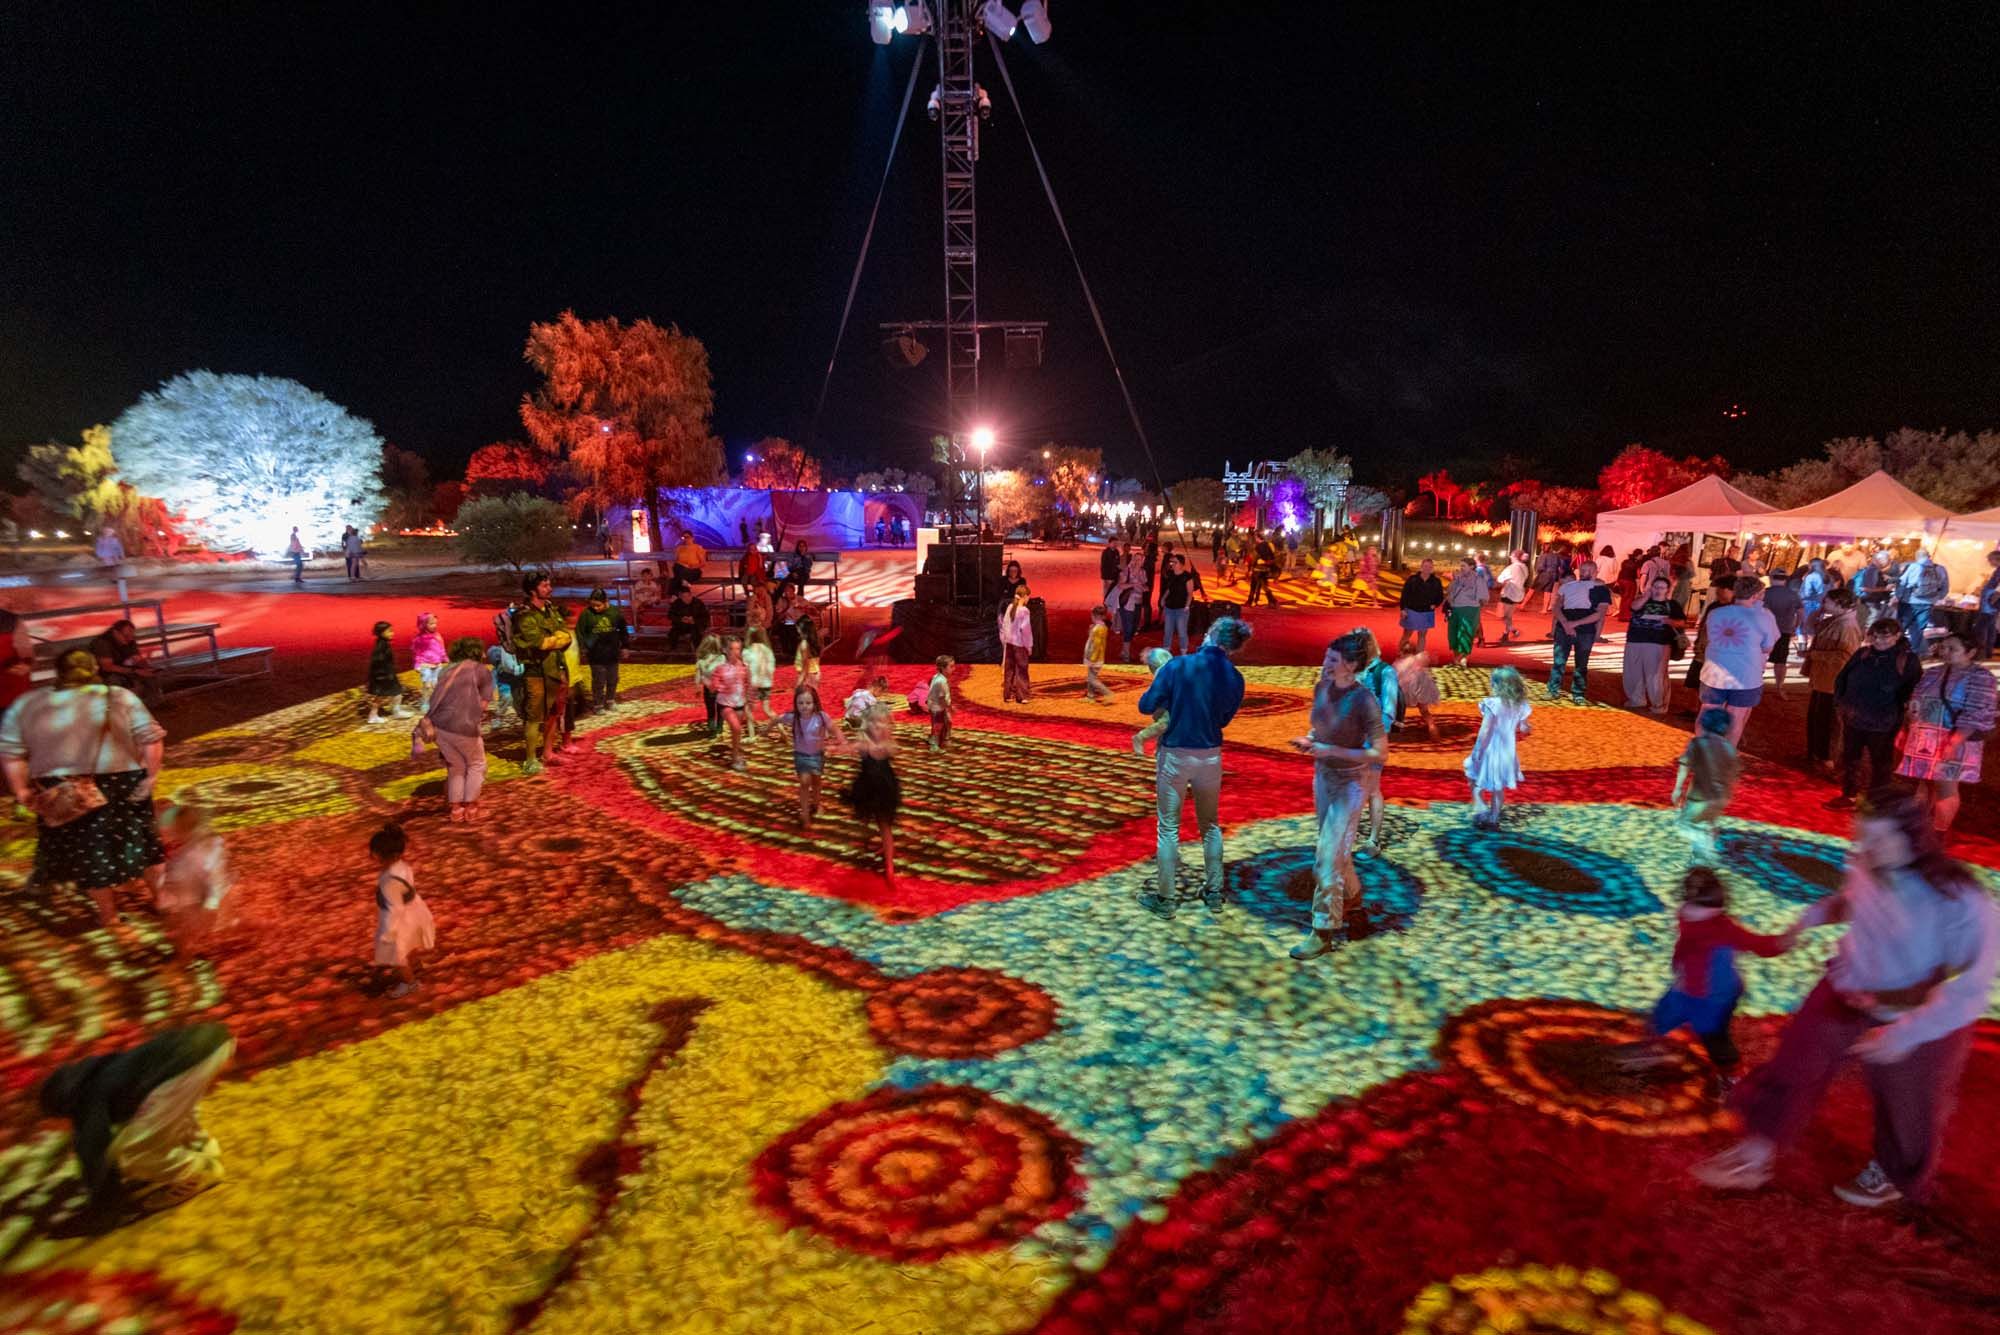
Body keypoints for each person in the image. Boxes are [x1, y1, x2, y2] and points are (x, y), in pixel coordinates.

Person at [1695, 790, 1999, 1208]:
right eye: (1862, 839)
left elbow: (1971, 982)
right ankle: (1756, 1154)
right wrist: (1810, 919)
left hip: (1918, 1012)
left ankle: (1894, 1174)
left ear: (1913, 837)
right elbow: (1851, 901)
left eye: (1879, 841)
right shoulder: (1868, 862)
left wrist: (1906, 1034)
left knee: (1907, 1100)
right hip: (1848, 983)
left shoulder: (1959, 899)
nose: (1866, 851)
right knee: (1796, 1061)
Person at [0, 650, 166, 928]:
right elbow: (151, 739)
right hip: (122, 780)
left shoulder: (29, 703)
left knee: (90, 854)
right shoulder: (119, 696)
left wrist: (21, 791)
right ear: (94, 669)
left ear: (58, 672)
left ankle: (108, 915)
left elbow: (10, 752)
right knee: (145, 845)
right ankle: (161, 898)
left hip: (63, 787)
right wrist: (150, 775)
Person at [38, 1022, 235, 1223]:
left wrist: (104, 1208)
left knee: (128, 1152)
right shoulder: (98, 1070)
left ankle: (196, 1172)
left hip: (189, 1060)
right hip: (211, 1041)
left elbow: (94, 1152)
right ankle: (203, 1147)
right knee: (159, 1117)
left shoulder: (84, 1096)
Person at [1625, 868, 1796, 1087]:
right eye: (1690, 905)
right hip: (1686, 988)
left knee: (1714, 1038)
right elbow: (1685, 947)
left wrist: (1783, 941)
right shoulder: (1688, 916)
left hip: (1715, 998)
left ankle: (1733, 1076)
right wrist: (1678, 967)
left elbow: (1758, 944)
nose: (1690, 911)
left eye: (1699, 908)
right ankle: (1649, 1048)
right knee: (1661, 1016)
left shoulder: (1721, 927)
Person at [1138, 615, 1251, 919]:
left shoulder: (1178, 666)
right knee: (1210, 825)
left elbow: (1146, 706)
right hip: (1210, 755)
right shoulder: (1235, 677)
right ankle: (1214, 892)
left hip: (1175, 752)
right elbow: (1224, 719)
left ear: (1211, 635)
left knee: (1168, 828)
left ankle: (1166, 899)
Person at [1289, 630, 1388, 959]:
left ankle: (1323, 930)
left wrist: (1330, 749)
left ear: (1350, 665)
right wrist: (1310, 740)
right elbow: (1321, 727)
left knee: (1326, 860)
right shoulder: (1322, 687)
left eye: (1332, 659)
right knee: (1337, 854)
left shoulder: (1364, 700)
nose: (1324, 663)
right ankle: (1357, 910)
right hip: (1324, 778)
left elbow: (1378, 752)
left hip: (1351, 783)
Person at [1894, 632, 1996, 835]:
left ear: (1971, 652)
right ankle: (1920, 828)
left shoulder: (1981, 677)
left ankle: (1939, 831)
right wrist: (1908, 724)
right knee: (1924, 781)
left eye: (1952, 649)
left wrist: (1955, 741)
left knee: (1946, 785)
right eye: (1943, 647)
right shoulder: (1934, 672)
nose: (1945, 652)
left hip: (1955, 738)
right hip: (1925, 737)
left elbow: (1976, 712)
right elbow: (1917, 698)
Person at [1826, 618, 1921, 810]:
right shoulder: (1863, 654)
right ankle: (1849, 794)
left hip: (1884, 720)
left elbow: (1913, 688)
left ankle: (1878, 799)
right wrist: (1841, 703)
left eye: (1885, 637)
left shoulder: (1906, 660)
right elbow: (1843, 678)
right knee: (1850, 757)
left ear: (1897, 636)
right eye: (1875, 636)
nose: (1879, 641)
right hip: (1854, 717)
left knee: (1881, 761)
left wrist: (1902, 709)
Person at [1697, 576, 1778, 745]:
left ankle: (1702, 751)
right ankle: (1726, 755)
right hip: (1746, 675)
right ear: (1756, 595)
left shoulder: (1716, 612)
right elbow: (1768, 647)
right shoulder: (1764, 617)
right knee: (1736, 715)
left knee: (1708, 711)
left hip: (1714, 671)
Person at [510, 571, 572, 775]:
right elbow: (539, 643)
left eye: (549, 584)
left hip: (555, 667)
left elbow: (566, 635)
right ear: (532, 590)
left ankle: (548, 753)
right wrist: (556, 639)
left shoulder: (550, 610)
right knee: (534, 716)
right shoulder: (523, 615)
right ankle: (530, 759)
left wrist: (554, 640)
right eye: (545, 586)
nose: (550, 589)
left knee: (554, 713)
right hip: (535, 671)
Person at [426, 636, 494, 823]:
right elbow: (483, 705)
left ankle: (456, 810)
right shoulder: (481, 671)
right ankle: (472, 809)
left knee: (456, 767)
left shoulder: (446, 670)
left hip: (440, 727)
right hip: (464, 726)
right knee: (476, 764)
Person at [369, 823, 433, 999]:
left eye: (375, 854)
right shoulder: (403, 867)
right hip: (414, 911)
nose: (373, 856)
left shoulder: (390, 881)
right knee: (408, 945)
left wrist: (388, 933)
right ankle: (415, 966)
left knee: (396, 955)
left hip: (400, 919)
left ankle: (409, 983)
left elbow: (394, 910)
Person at [1464, 665, 1532, 831]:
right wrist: (1524, 727)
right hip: (1508, 752)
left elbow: (1485, 730)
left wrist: (1478, 750)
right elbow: (1524, 727)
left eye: (1492, 683)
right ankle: (1493, 818)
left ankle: (1480, 807)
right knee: (1498, 787)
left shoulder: (1493, 704)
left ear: (1498, 685)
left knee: (1471, 771)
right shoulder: (1520, 705)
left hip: (1490, 750)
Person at [1803, 586, 1863, 774]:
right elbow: (1812, 625)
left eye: (1826, 601)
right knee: (1817, 718)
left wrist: (1815, 654)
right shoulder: (1836, 621)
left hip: (1833, 682)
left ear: (1839, 604)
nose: (1823, 604)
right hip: (1823, 680)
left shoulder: (1847, 626)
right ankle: (1815, 753)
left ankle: (1827, 759)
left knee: (1829, 722)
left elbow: (1845, 656)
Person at [1672, 707, 1740, 864]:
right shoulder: (1729, 748)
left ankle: (1706, 853)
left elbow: (1684, 765)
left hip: (1700, 796)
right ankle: (1700, 857)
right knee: (1707, 823)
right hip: (1721, 797)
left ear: (1704, 725)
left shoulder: (1698, 743)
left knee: (1685, 825)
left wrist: (1677, 788)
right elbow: (1733, 774)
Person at [846, 703, 902, 887]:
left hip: (884, 790)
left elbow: (891, 749)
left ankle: (889, 865)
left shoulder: (886, 745)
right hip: (867, 789)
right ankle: (883, 850)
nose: (879, 728)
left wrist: (883, 742)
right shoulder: (864, 742)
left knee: (885, 824)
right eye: (875, 724)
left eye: (883, 724)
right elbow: (851, 748)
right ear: (868, 725)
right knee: (872, 820)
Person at [775, 682, 844, 830]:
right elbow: (777, 719)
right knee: (805, 782)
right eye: (800, 703)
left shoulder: (821, 717)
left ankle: (816, 803)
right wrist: (767, 730)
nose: (804, 706)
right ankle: (805, 813)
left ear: (815, 703)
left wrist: (842, 741)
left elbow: (834, 728)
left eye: (808, 702)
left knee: (817, 781)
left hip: (817, 756)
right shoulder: (793, 717)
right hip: (801, 756)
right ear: (796, 703)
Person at [1548, 559, 1611, 704]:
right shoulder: (1567, 586)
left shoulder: (1601, 589)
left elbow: (1600, 614)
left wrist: (1573, 624)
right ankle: (1553, 690)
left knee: (1581, 664)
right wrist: (1565, 623)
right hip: (1564, 627)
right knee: (1559, 661)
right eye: (1582, 570)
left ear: (1596, 572)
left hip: (1585, 630)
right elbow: (1556, 607)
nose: (1584, 573)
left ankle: (1578, 693)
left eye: (1589, 570)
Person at [1622, 576, 1684, 713]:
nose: (1658, 590)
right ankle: (1636, 699)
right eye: (1655, 587)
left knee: (1656, 675)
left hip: (1659, 643)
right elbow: (1633, 607)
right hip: (1635, 640)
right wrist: (1646, 596)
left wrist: (1669, 621)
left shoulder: (1672, 605)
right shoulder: (1642, 600)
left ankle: (1659, 705)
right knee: (1633, 672)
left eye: (1662, 587)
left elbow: (1681, 622)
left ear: (1667, 590)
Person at [576, 588, 630, 713]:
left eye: (598, 605)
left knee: (613, 678)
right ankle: (598, 704)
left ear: (606, 601)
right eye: (593, 605)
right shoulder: (586, 614)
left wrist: (625, 647)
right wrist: (583, 648)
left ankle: (610, 700)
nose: (595, 608)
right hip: (595, 655)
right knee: (599, 679)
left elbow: (623, 631)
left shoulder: (615, 613)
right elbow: (580, 633)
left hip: (612, 653)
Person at [1896, 547, 1949, 648]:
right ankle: (1914, 651)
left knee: (1900, 628)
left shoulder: (1913, 567)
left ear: (1917, 557)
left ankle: (1897, 649)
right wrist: (1935, 598)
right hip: (1928, 603)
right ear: (1929, 556)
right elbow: (1945, 588)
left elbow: (1902, 583)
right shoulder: (1941, 569)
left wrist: (1898, 597)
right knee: (1918, 628)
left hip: (1909, 603)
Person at [89, 620, 156, 698]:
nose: (130, 639)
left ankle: (153, 704)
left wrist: (147, 668)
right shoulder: (102, 643)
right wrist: (134, 671)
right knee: (115, 681)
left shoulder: (129, 640)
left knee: (150, 677)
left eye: (132, 636)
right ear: (115, 632)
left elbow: (137, 659)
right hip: (103, 674)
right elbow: (107, 667)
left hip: (122, 670)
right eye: (126, 636)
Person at [1763, 569, 1804, 695]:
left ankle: (1755, 683)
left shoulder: (1765, 593)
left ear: (1771, 578)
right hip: (1784, 630)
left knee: (1760, 657)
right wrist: (1796, 626)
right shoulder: (1793, 594)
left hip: (1765, 629)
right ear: (1785, 580)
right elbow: (1801, 612)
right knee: (1781, 661)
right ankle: (1779, 686)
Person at [713, 635, 751, 772]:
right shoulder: (720, 668)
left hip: (739, 703)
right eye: (731, 648)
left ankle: (735, 750)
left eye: (738, 649)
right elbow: (714, 686)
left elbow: (748, 685)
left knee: (736, 732)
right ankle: (735, 756)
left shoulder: (745, 667)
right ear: (725, 650)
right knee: (736, 728)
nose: (735, 652)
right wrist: (720, 686)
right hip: (724, 703)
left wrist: (750, 701)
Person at [1442, 556, 1488, 667]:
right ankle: (1459, 660)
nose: (1461, 568)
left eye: (1463, 566)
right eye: (1461, 565)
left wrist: (1474, 607)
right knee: (1453, 635)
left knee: (1465, 635)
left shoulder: (1478, 579)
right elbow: (1449, 591)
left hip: (1469, 610)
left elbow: (1483, 598)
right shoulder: (1458, 578)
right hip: (1455, 609)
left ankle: (1458, 660)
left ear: (1471, 567)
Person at [1397, 558, 1445, 658]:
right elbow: (1404, 595)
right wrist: (1403, 609)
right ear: (1421, 567)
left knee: (1422, 635)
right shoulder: (1412, 579)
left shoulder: (1436, 581)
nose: (1427, 568)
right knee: (1407, 634)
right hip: (1411, 610)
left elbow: (1440, 596)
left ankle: (1418, 657)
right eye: (1425, 566)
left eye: (1430, 567)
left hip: (1426, 612)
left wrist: (1435, 604)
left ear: (1432, 568)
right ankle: (1400, 653)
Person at [1158, 554, 1203, 656]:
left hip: (1181, 608)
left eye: (1175, 562)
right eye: (1171, 562)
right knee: (1167, 631)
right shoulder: (1171, 574)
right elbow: (1170, 588)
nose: (1172, 564)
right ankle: (1166, 651)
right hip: (1170, 607)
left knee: (1182, 632)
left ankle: (1183, 652)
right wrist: (1164, 598)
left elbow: (1190, 593)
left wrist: (1187, 606)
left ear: (1181, 564)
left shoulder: (1187, 577)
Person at [363, 621, 405, 725]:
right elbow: (378, 662)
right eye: (389, 631)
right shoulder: (381, 647)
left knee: (397, 692)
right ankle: (373, 716)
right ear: (381, 633)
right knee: (380, 696)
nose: (392, 633)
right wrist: (383, 675)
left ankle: (396, 711)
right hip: (383, 676)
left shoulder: (384, 644)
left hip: (388, 674)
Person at [999, 583, 1034, 704]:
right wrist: (1029, 646)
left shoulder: (1010, 607)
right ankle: (1022, 695)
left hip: (1009, 643)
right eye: (1028, 597)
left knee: (1009, 669)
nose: (1028, 599)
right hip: (1019, 644)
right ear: (1024, 597)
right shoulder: (1024, 611)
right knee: (1021, 669)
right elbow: (1026, 630)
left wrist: (1004, 639)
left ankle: (1007, 694)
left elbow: (1004, 625)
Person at [743, 626, 778, 735]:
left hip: (754, 683)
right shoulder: (768, 651)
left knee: (748, 709)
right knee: (767, 710)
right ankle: (781, 730)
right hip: (767, 683)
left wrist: (748, 684)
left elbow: (747, 670)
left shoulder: (747, 651)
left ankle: (752, 735)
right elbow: (772, 668)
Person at [411, 613, 447, 706]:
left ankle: (436, 702)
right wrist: (417, 664)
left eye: (435, 623)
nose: (434, 626)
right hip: (425, 665)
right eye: (431, 624)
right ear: (423, 625)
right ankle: (425, 702)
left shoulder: (438, 636)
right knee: (427, 685)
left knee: (436, 685)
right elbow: (417, 653)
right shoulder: (419, 639)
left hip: (437, 664)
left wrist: (445, 658)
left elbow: (442, 648)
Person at [693, 633, 724, 737]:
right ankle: (720, 727)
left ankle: (712, 728)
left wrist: (697, 687)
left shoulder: (701, 660)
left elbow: (698, 675)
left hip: (708, 687)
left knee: (710, 709)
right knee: (720, 708)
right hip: (720, 687)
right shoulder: (722, 658)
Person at [1083, 605, 1115, 704]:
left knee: (1091, 679)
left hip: (1095, 657)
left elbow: (1096, 645)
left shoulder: (1099, 629)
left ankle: (1108, 693)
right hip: (1094, 656)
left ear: (1095, 616)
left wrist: (1092, 658)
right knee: (1090, 676)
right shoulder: (1099, 627)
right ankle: (1090, 696)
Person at [1972, 549, 2000, 661]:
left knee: (1981, 627)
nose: (1989, 562)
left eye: (1990, 560)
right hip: (1989, 604)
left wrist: (1993, 599)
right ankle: (1987, 651)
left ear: (1996, 559)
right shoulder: (1997, 570)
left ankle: (1981, 652)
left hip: (1990, 605)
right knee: (1990, 627)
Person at [1496, 550, 1529, 642]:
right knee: (1508, 615)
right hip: (1519, 594)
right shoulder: (1525, 567)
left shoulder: (1511, 568)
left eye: (1511, 556)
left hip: (1509, 593)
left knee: (1505, 616)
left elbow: (1500, 579)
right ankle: (1510, 630)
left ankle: (1508, 632)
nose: (1510, 557)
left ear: (1514, 557)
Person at [925, 655, 954, 750]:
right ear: (943, 668)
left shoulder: (937, 677)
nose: (954, 669)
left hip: (935, 706)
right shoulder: (941, 682)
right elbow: (942, 698)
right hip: (938, 708)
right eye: (951, 666)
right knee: (939, 725)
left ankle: (942, 739)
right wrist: (949, 708)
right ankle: (934, 744)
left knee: (943, 723)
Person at [1247, 533, 1280, 608]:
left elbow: (1254, 558)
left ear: (1258, 538)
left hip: (1258, 569)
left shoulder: (1258, 547)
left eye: (1256, 538)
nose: (1255, 540)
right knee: (1264, 585)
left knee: (1254, 585)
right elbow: (1275, 555)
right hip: (1267, 568)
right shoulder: (1270, 544)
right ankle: (1271, 601)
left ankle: (1251, 601)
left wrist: (1250, 567)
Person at [794, 612, 822, 688]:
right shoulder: (814, 641)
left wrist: (800, 681)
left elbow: (805, 665)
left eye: (798, 628)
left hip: (807, 676)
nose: (797, 630)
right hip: (814, 674)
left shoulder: (804, 644)